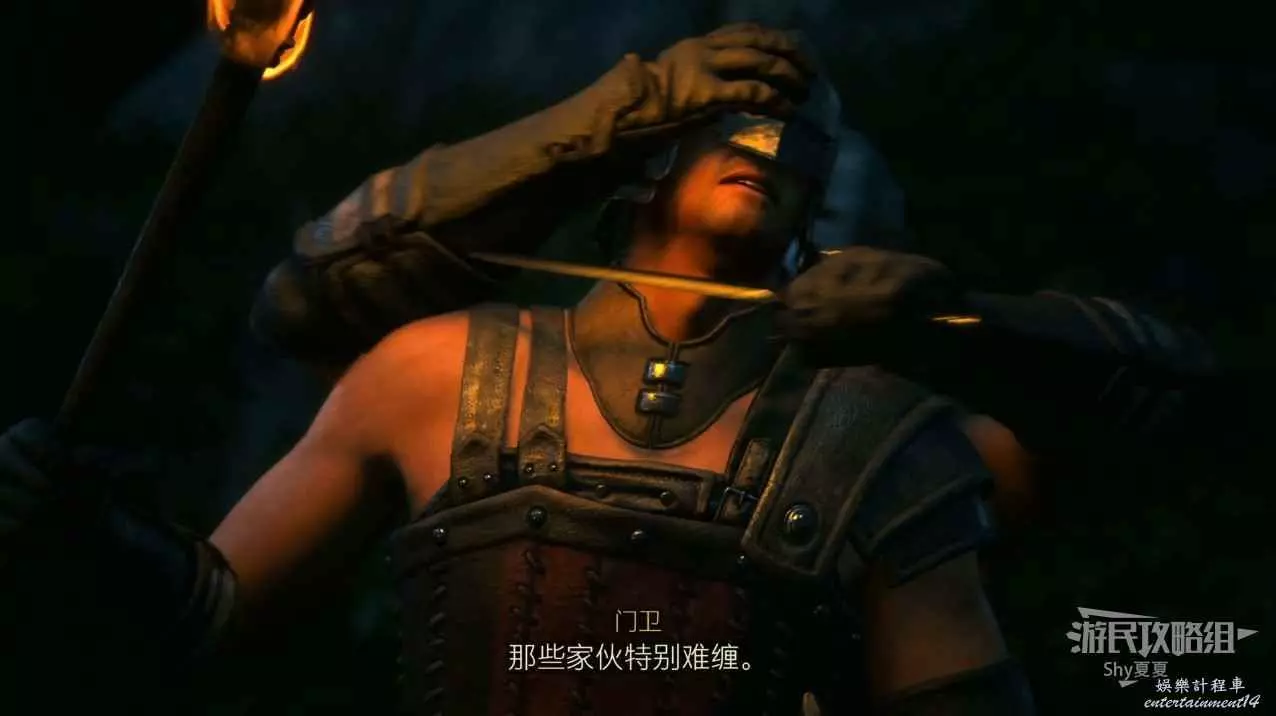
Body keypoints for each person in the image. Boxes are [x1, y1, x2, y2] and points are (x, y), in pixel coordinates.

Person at [0, 23, 1210, 715]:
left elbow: (1167, 400)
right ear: (640, 161)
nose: (767, 136)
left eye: (800, 139)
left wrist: (950, 321)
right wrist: (85, 535)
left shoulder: (872, 439)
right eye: (727, 119)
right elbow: (211, 608)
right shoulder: (438, 372)